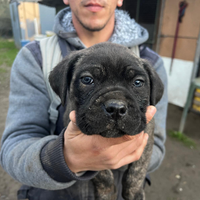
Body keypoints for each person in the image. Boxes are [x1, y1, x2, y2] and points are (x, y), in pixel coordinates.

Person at [0, 0, 168, 199]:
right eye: (88, 80)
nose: (115, 104)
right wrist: (66, 158)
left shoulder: (152, 63)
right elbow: (13, 151)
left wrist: (133, 186)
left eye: (137, 83)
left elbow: (155, 144)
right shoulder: (36, 58)